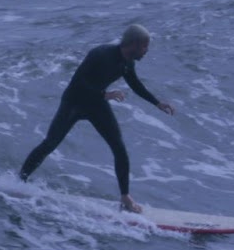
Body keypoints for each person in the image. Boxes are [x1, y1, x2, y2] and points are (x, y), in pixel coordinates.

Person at [18, 24, 176, 212]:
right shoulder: (101, 55)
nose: (146, 51)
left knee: (119, 147)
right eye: (144, 46)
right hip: (74, 102)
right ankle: (19, 181)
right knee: (50, 143)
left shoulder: (127, 63)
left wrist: (157, 103)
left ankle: (125, 197)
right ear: (133, 44)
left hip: (96, 104)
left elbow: (135, 84)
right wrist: (103, 95)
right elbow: (78, 82)